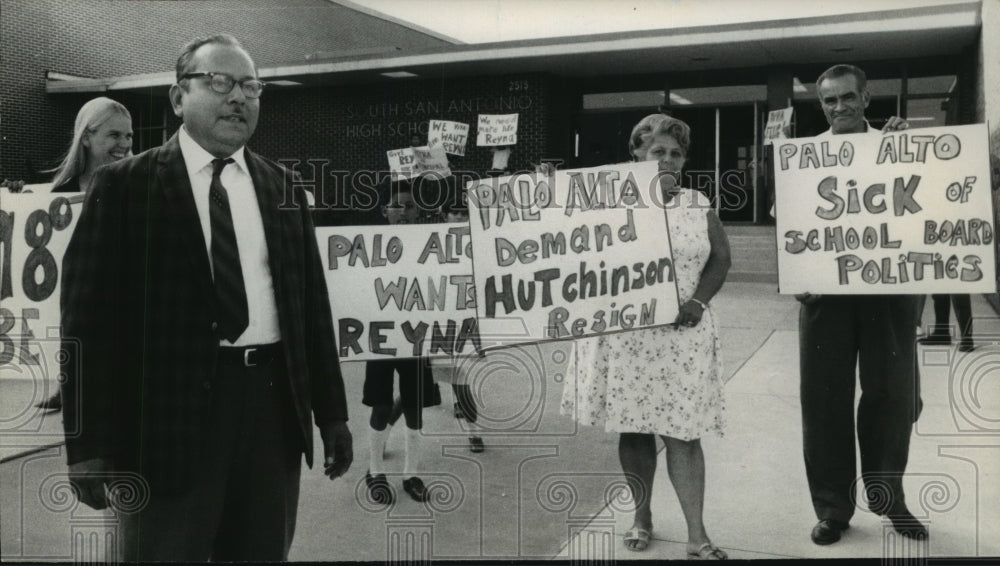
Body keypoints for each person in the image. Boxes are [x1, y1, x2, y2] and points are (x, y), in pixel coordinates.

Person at [59, 34, 353, 562]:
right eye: (219, 82)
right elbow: (87, 324)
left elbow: (311, 310)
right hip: (163, 421)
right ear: (178, 98)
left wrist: (332, 414)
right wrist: (86, 445)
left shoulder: (283, 188)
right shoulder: (124, 187)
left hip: (270, 414)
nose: (238, 97)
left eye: (250, 86)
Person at [561, 114, 731, 559]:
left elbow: (720, 259)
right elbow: (580, 259)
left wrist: (697, 302)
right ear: (636, 155)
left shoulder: (698, 203)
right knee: (634, 430)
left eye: (676, 154)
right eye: (658, 152)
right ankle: (642, 517)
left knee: (683, 433)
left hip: (683, 334)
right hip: (628, 336)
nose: (669, 161)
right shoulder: (610, 203)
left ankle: (697, 535)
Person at [797, 64, 926, 545]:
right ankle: (832, 508)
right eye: (829, 100)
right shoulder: (803, 156)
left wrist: (909, 151)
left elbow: (927, 204)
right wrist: (797, 278)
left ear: (867, 99)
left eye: (848, 98)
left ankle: (890, 500)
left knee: (891, 398)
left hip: (888, 292)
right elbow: (790, 225)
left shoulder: (895, 144)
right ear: (821, 104)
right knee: (824, 400)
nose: (839, 107)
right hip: (825, 296)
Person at [35, 97, 134, 413]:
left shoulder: (138, 184)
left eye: (129, 136)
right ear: (87, 137)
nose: (124, 143)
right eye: (114, 135)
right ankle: (68, 385)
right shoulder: (61, 191)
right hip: (77, 292)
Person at [363, 180, 441, 505]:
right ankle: (374, 470)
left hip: (416, 335)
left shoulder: (433, 245)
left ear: (419, 211)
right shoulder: (367, 245)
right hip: (380, 335)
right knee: (381, 404)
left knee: (414, 406)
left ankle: (411, 473)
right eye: (397, 206)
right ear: (385, 211)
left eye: (410, 206)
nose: (404, 212)